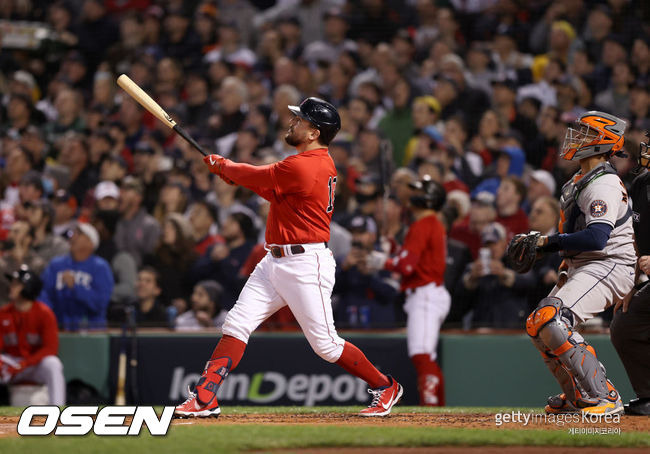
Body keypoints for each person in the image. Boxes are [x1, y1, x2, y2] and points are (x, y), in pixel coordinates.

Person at [177, 97, 402, 418]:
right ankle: (204, 398)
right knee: (237, 323)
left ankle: (385, 386)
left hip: (306, 264)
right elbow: (268, 188)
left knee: (326, 346)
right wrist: (231, 173)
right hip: (275, 261)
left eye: (300, 121)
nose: (292, 123)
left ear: (314, 132)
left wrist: (223, 166)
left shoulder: (307, 164)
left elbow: (261, 177)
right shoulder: (305, 164)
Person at [523, 111, 635, 415]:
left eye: (585, 133)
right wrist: (563, 270)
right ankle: (578, 397)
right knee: (538, 325)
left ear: (602, 142)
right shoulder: (578, 180)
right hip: (585, 265)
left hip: (610, 264)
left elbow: (597, 237)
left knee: (552, 319)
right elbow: (575, 237)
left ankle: (605, 396)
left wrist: (547, 243)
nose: (576, 137)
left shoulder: (604, 183)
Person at [366, 176, 449, 406]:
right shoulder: (430, 223)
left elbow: (406, 266)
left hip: (425, 294)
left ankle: (431, 406)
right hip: (429, 292)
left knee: (421, 355)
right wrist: (391, 251)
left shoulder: (423, 224)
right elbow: (410, 259)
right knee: (427, 357)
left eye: (416, 190)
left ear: (428, 198)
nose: (412, 194)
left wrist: (383, 261)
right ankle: (439, 408)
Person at [610, 133, 650, 415]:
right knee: (626, 323)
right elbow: (633, 237)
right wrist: (631, 283)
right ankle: (649, 395)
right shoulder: (641, 183)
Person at [0, 266, 65, 405]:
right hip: (12, 364)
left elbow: (50, 349)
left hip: (34, 365)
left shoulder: (44, 313)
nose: (11, 287)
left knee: (53, 364)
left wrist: (25, 363)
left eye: (16, 284)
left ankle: (58, 411)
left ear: (28, 288)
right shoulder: (3, 313)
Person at [40, 223, 114, 331]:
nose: (72, 237)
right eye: (72, 233)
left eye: (78, 234)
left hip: (91, 331)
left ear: (91, 242)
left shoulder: (100, 267)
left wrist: (76, 288)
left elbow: (100, 303)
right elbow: (44, 294)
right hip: (59, 328)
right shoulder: (56, 265)